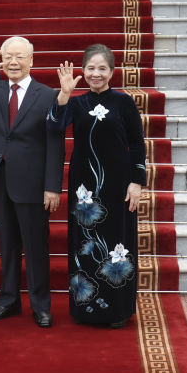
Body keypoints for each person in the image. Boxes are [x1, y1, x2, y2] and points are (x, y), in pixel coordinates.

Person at [0, 37, 64, 328]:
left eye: (19, 57)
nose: (13, 62)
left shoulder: (47, 95)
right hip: (1, 178)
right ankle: (8, 300)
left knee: (35, 247)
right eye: (8, 57)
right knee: (7, 246)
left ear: (31, 60)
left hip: (33, 182)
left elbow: (55, 142)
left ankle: (41, 305)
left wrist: (52, 186)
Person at [49, 45, 145, 328]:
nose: (96, 74)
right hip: (85, 191)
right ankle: (86, 310)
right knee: (85, 245)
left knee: (118, 245)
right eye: (91, 68)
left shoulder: (124, 102)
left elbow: (137, 144)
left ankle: (117, 311)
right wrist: (64, 94)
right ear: (83, 71)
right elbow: (54, 127)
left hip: (118, 186)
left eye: (102, 68)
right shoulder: (76, 103)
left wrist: (137, 182)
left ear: (112, 72)